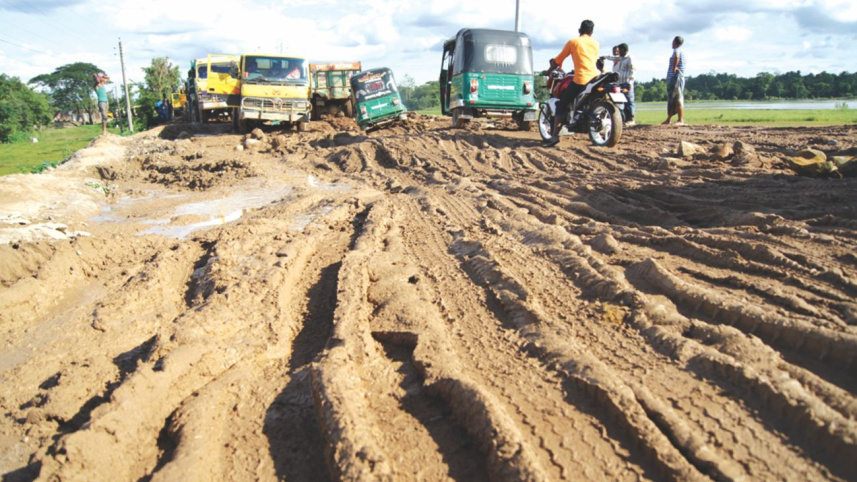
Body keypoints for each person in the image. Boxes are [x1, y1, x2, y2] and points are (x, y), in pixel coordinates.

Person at [545, 19, 600, 147]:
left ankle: (554, 136)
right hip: (595, 77)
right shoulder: (595, 43)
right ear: (591, 32)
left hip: (581, 78)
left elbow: (558, 60)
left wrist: (548, 71)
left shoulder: (574, 42)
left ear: (579, 30)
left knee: (561, 105)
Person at [602, 43, 636, 126]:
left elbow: (633, 71)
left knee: (629, 101)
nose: (618, 52)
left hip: (626, 83)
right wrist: (604, 57)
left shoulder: (630, 58)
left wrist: (630, 82)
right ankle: (624, 119)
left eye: (619, 50)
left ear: (623, 50)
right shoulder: (621, 58)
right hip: (619, 83)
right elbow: (613, 58)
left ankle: (631, 119)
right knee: (621, 102)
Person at [663, 36, 687, 125]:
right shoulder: (679, 51)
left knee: (677, 98)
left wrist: (674, 68)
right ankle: (669, 119)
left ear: (675, 42)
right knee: (672, 99)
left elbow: (676, 57)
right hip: (674, 77)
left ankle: (680, 120)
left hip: (676, 77)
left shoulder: (677, 50)